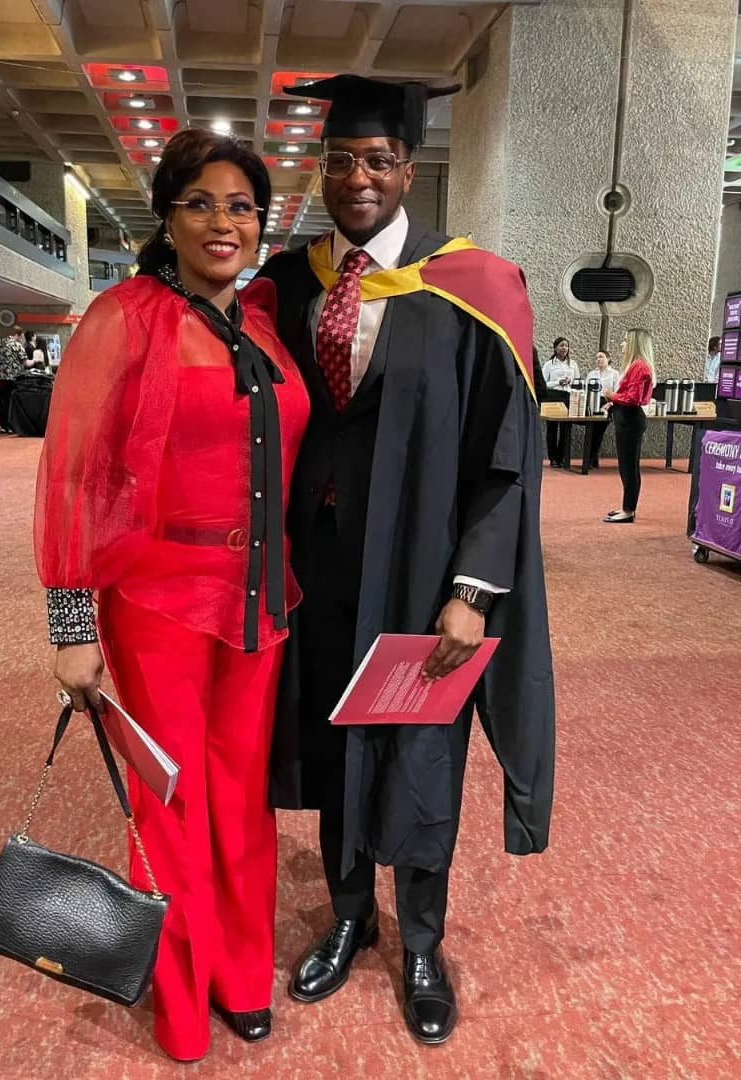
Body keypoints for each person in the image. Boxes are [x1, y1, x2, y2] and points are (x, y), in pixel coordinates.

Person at [254, 75, 554, 1046]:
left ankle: (420, 941)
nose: (357, 177)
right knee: (340, 742)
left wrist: (473, 590)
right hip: (323, 573)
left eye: (377, 159)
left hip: (428, 576)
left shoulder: (475, 284)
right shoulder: (290, 284)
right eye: (339, 159)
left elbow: (505, 456)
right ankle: (350, 916)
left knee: (423, 753)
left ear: (408, 167)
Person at [34, 128, 309, 1062]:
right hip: (155, 605)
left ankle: (242, 972)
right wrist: (72, 626)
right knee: (171, 800)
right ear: (169, 214)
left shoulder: (264, 325)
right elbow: (72, 475)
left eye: (242, 206)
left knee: (242, 799)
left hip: (258, 602)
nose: (223, 221)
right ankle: (183, 998)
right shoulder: (127, 317)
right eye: (203, 202)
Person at [602, 329, 656, 523]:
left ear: (634, 344)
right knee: (626, 466)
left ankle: (628, 510)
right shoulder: (636, 366)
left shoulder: (640, 367)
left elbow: (633, 399)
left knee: (629, 467)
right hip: (626, 418)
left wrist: (611, 395)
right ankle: (627, 507)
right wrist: (613, 402)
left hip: (630, 420)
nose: (622, 345)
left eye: (625, 341)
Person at [542, 336, 579, 467]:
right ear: (555, 348)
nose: (564, 348)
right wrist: (558, 382)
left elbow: (577, 381)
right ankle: (553, 458)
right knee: (552, 427)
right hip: (552, 395)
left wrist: (571, 382)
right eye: (561, 345)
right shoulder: (549, 364)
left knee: (566, 428)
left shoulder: (573, 364)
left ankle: (562, 456)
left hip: (567, 396)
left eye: (566, 346)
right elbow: (543, 384)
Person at [584, 349, 620, 467]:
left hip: (607, 402)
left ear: (608, 359)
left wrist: (610, 404)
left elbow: (617, 392)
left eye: (601, 357)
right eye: (597, 358)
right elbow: (586, 390)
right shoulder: (591, 374)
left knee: (598, 431)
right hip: (592, 401)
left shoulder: (614, 374)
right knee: (590, 430)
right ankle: (591, 459)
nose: (598, 360)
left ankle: (590, 459)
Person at [0, 326, 28, 432]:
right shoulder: (17, 345)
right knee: (12, 401)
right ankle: (11, 425)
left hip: (1, 377)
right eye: (20, 336)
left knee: (4, 400)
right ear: (17, 335)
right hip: (13, 377)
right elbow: (25, 362)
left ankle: (2, 425)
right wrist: (36, 360)